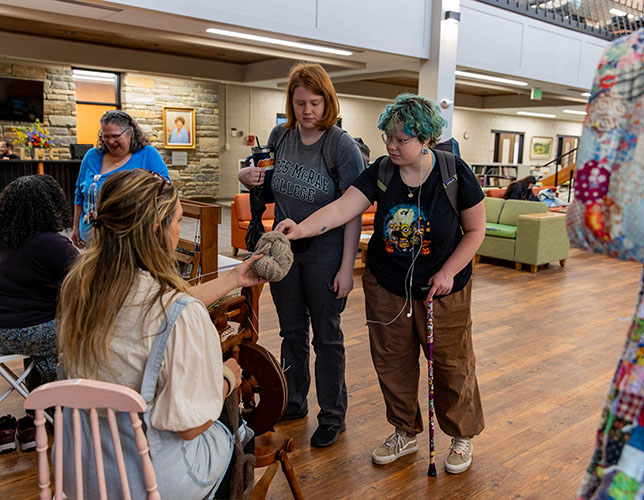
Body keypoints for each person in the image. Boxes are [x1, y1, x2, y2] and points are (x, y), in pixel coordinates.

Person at [277, 93, 487, 474]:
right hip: (388, 285)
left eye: (401, 139)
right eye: (388, 137)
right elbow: (343, 207)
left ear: (425, 140)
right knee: (392, 363)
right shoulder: (381, 171)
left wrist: (448, 271)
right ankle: (404, 431)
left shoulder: (455, 173)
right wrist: (301, 228)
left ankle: (461, 436)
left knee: (452, 365)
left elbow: (475, 231)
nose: (391, 145)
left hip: (443, 290)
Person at [57, 168, 265, 499]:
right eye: (177, 221)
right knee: (233, 432)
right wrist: (227, 377)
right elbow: (189, 427)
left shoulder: (82, 290)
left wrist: (234, 278)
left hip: (83, 469)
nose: (178, 230)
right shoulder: (180, 315)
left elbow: (159, 309)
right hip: (148, 481)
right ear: (158, 231)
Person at [238, 62, 364, 448]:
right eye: (300, 103)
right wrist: (245, 178)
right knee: (292, 332)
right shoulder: (281, 136)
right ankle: (294, 400)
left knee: (326, 337)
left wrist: (347, 268)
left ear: (328, 101)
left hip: (326, 253)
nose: (307, 111)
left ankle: (332, 415)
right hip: (285, 249)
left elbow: (354, 210)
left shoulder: (340, 145)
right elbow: (268, 188)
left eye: (315, 103)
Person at [0, 175, 78, 451]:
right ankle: (53, 408)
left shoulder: (5, 240)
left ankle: (39, 411)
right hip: (33, 331)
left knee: (50, 333)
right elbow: (88, 279)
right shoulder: (49, 243)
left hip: (3, 335)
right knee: (81, 329)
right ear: (49, 206)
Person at [72, 110, 169, 248]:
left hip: (129, 241)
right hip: (91, 239)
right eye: (105, 136)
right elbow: (79, 195)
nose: (110, 141)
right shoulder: (92, 156)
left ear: (130, 133)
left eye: (116, 136)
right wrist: (75, 227)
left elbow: (166, 193)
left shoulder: (147, 154)